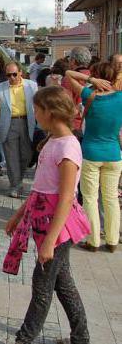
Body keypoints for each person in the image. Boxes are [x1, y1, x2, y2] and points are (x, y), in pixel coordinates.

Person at [4, 86, 90, 344]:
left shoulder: (68, 149)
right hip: (44, 222)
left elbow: (65, 198)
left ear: (50, 112)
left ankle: (24, 338)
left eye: (37, 109)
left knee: (42, 287)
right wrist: (18, 216)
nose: (34, 114)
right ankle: (81, 337)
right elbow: (40, 187)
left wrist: (51, 241)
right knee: (62, 284)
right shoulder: (53, 141)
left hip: (58, 227)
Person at [64, 64, 122, 252]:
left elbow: (68, 74)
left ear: (97, 76)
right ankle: (113, 240)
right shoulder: (120, 97)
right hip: (113, 153)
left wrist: (90, 80)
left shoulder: (89, 94)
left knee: (90, 198)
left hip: (90, 152)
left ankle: (93, 240)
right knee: (111, 198)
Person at [0, 62, 38, 199]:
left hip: (27, 123)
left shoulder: (31, 85)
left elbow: (37, 106)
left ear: (20, 72)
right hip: (9, 123)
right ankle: (15, 185)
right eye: (8, 75)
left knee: (26, 155)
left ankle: (18, 180)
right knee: (11, 156)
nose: (11, 77)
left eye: (14, 74)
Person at [61, 46, 91, 133]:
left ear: (73, 61)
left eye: (70, 59)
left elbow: (65, 104)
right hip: (91, 123)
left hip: (75, 125)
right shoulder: (94, 77)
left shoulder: (68, 79)